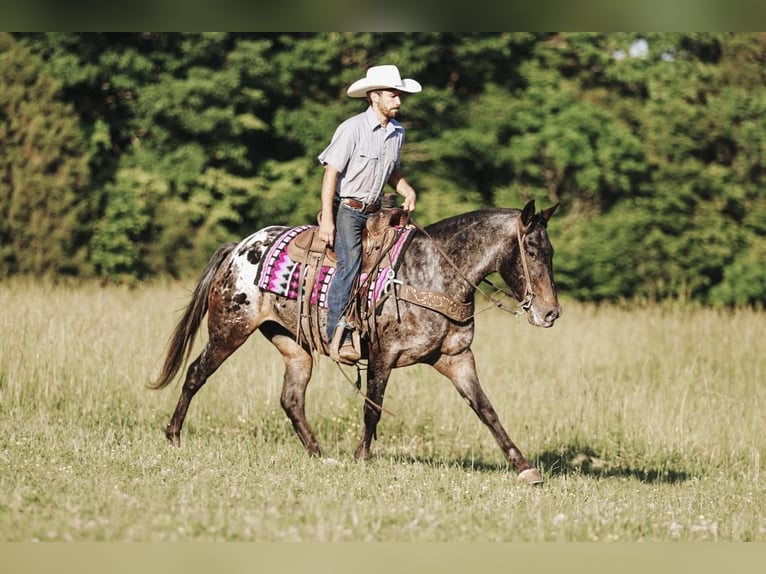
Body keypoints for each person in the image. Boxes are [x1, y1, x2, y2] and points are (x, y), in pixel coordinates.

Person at [317, 64, 421, 364]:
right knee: (350, 264)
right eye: (392, 95)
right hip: (349, 210)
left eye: (399, 95)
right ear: (374, 96)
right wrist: (327, 217)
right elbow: (331, 174)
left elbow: (393, 171)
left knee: (405, 256)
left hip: (378, 210)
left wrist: (407, 190)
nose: (398, 101)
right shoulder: (352, 129)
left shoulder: (397, 132)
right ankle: (338, 332)